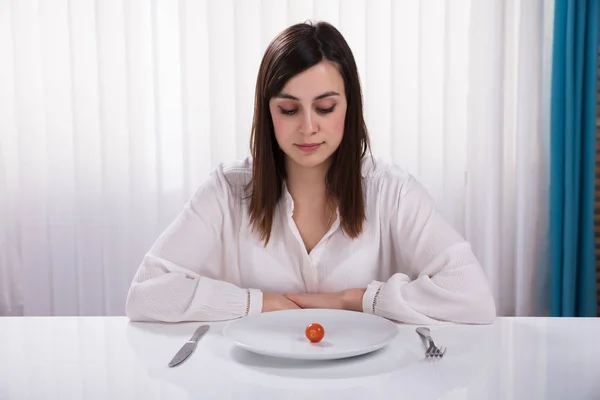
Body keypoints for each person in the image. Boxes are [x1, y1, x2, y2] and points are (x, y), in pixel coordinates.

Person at [125, 21, 496, 325]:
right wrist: (260, 303)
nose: (307, 128)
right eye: (289, 110)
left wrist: (351, 300)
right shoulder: (227, 189)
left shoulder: (392, 192)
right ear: (267, 113)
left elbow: (472, 296)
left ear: (349, 108)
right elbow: (146, 293)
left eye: (325, 108)